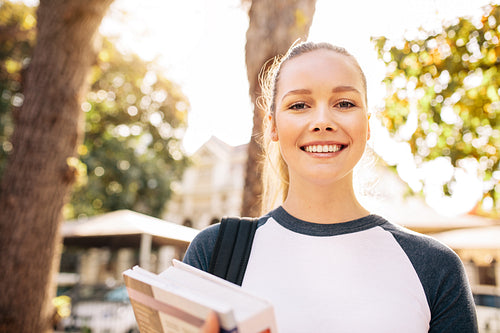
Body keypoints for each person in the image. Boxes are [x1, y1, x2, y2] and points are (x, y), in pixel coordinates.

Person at [184, 41, 478, 332]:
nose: (322, 121)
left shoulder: (436, 267)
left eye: (344, 103)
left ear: (367, 124)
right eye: (299, 105)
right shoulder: (214, 252)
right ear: (272, 125)